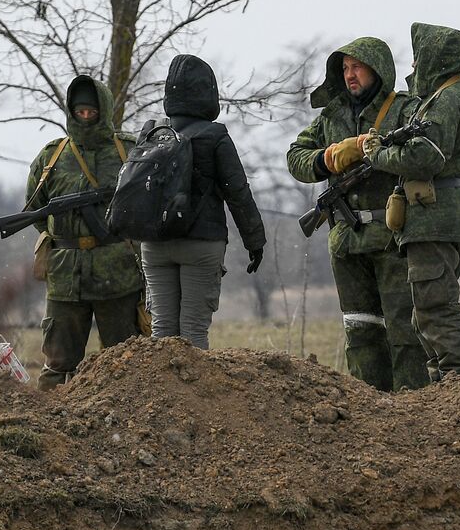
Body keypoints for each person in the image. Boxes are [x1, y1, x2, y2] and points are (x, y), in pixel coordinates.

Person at [286, 37, 429, 391]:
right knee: (360, 329)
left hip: (392, 238)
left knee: (404, 331)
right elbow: (296, 158)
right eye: (345, 69)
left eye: (357, 68)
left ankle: (411, 407)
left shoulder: (404, 111)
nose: (350, 76)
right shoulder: (330, 117)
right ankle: (368, 404)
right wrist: (330, 157)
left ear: (376, 70)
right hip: (346, 242)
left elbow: (421, 154)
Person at [365, 22, 460, 381]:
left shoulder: (448, 100)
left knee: (435, 305)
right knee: (425, 308)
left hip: (432, 217)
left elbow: (425, 156)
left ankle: (457, 381)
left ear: (435, 60)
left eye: (419, 62)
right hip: (441, 215)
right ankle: (444, 386)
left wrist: (378, 155)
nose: (414, 70)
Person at [140, 54, 266, 350]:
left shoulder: (151, 134)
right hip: (201, 244)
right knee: (193, 333)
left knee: (162, 334)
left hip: (154, 245)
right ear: (208, 94)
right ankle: (190, 397)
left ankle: (161, 396)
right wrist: (255, 242)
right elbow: (238, 193)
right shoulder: (215, 135)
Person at [26, 76, 143, 389]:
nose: (86, 117)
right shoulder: (52, 156)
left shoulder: (128, 152)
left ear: (103, 110)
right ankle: (47, 429)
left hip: (117, 275)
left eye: (92, 111)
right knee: (58, 365)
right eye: (80, 111)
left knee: (126, 362)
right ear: (71, 112)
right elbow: (37, 210)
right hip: (65, 276)